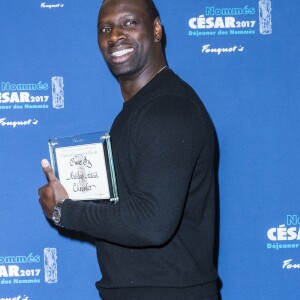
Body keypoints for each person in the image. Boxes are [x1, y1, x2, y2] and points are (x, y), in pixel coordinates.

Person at [38, 0, 219, 299]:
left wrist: (65, 211)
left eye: (129, 23)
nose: (115, 36)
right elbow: (133, 208)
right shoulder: (139, 110)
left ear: (157, 29)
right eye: (105, 29)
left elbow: (152, 223)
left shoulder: (169, 109)